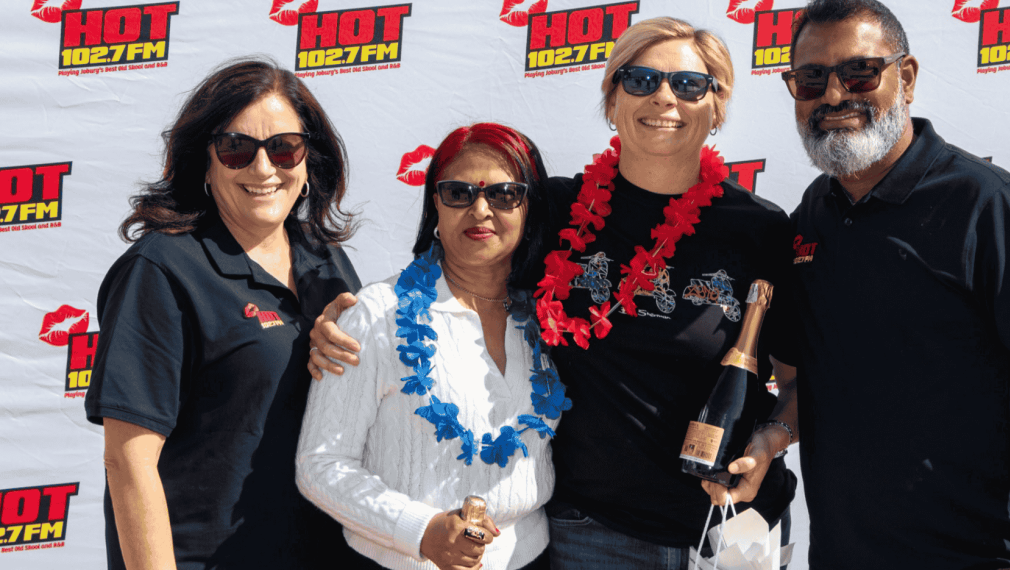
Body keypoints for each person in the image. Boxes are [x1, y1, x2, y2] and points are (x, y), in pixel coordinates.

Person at [309, 17, 801, 570]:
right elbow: (459, 274)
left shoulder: (761, 229)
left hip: (737, 524)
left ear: (718, 107)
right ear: (612, 100)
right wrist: (347, 318)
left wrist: (774, 438)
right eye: (640, 80)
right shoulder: (556, 210)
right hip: (597, 533)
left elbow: (798, 380)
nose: (664, 97)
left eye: (688, 85)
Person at [770, 1, 1010, 568]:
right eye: (811, 78)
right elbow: (800, 382)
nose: (833, 95)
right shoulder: (814, 214)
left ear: (907, 78)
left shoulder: (986, 202)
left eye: (859, 73)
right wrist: (770, 434)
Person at [83, 59, 381, 569]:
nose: (263, 169)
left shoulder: (324, 258)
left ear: (308, 160)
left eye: (284, 147)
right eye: (237, 149)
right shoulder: (161, 269)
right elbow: (128, 462)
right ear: (206, 162)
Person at [296, 123, 563, 570]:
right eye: (459, 193)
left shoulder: (550, 315)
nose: (481, 209)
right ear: (435, 204)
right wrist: (419, 530)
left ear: (529, 207)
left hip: (532, 558)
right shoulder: (378, 313)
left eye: (504, 195)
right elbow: (321, 464)